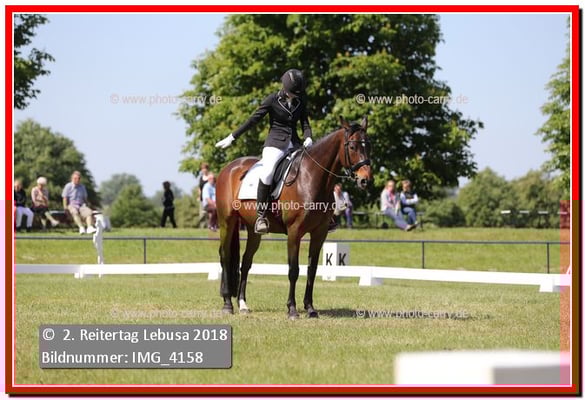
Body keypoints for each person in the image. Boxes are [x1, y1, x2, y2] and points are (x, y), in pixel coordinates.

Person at [215, 68, 313, 234]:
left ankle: (323, 215)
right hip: (275, 143)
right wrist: (232, 137)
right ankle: (261, 216)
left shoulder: (300, 101)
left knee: (312, 169)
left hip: (295, 144)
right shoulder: (272, 100)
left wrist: (308, 137)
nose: (296, 96)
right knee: (267, 172)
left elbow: (305, 123)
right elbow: (253, 120)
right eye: (293, 93)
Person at [195, 163, 211, 228]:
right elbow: (199, 188)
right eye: (202, 169)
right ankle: (202, 226)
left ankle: (210, 226)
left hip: (209, 198)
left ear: (207, 169)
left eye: (205, 168)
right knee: (202, 214)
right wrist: (199, 196)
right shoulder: (201, 178)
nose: (204, 170)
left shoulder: (210, 177)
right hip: (202, 198)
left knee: (209, 213)